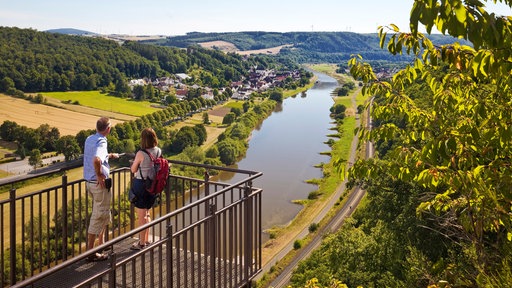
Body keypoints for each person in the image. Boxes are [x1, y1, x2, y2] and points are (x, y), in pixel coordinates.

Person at [83, 116, 119, 261]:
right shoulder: (102, 141)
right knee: (99, 215)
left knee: (102, 213)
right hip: (99, 185)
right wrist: (99, 174)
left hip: (89, 183)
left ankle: (101, 244)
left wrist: (110, 155)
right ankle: (91, 253)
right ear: (108, 129)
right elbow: (97, 159)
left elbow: (99, 156)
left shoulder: (89, 138)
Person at [129, 127, 161, 250]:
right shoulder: (158, 151)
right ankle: (146, 239)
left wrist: (135, 163)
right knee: (147, 213)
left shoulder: (141, 153)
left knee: (141, 216)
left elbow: (133, 169)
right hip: (152, 186)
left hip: (141, 186)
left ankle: (141, 243)